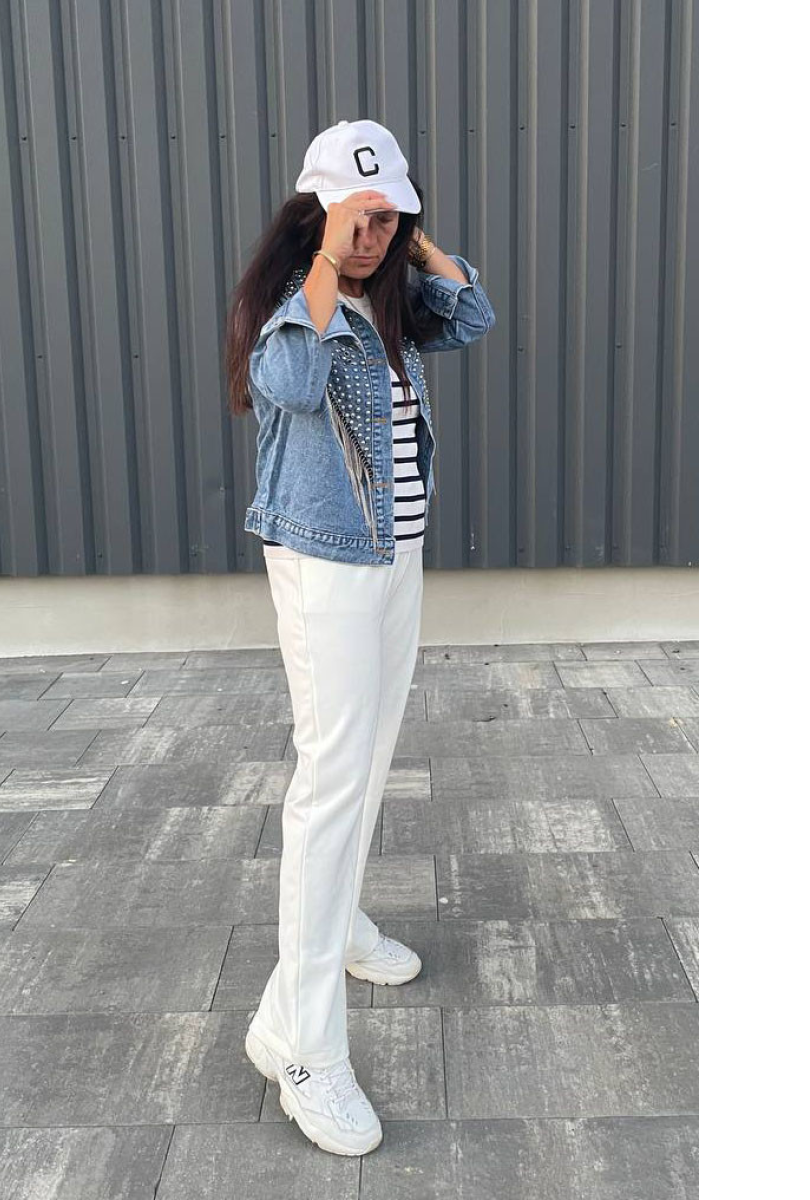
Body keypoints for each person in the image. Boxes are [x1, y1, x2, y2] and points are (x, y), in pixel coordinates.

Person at [223, 118, 495, 1156]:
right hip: (328, 565)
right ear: (317, 212)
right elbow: (293, 387)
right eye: (358, 215)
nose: (376, 234)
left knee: (372, 759)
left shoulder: (392, 302)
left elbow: (473, 314)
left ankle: (334, 931)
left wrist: (412, 242)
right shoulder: (295, 311)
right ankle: (302, 1047)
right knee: (330, 784)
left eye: (391, 218)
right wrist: (331, 261)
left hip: (394, 558)